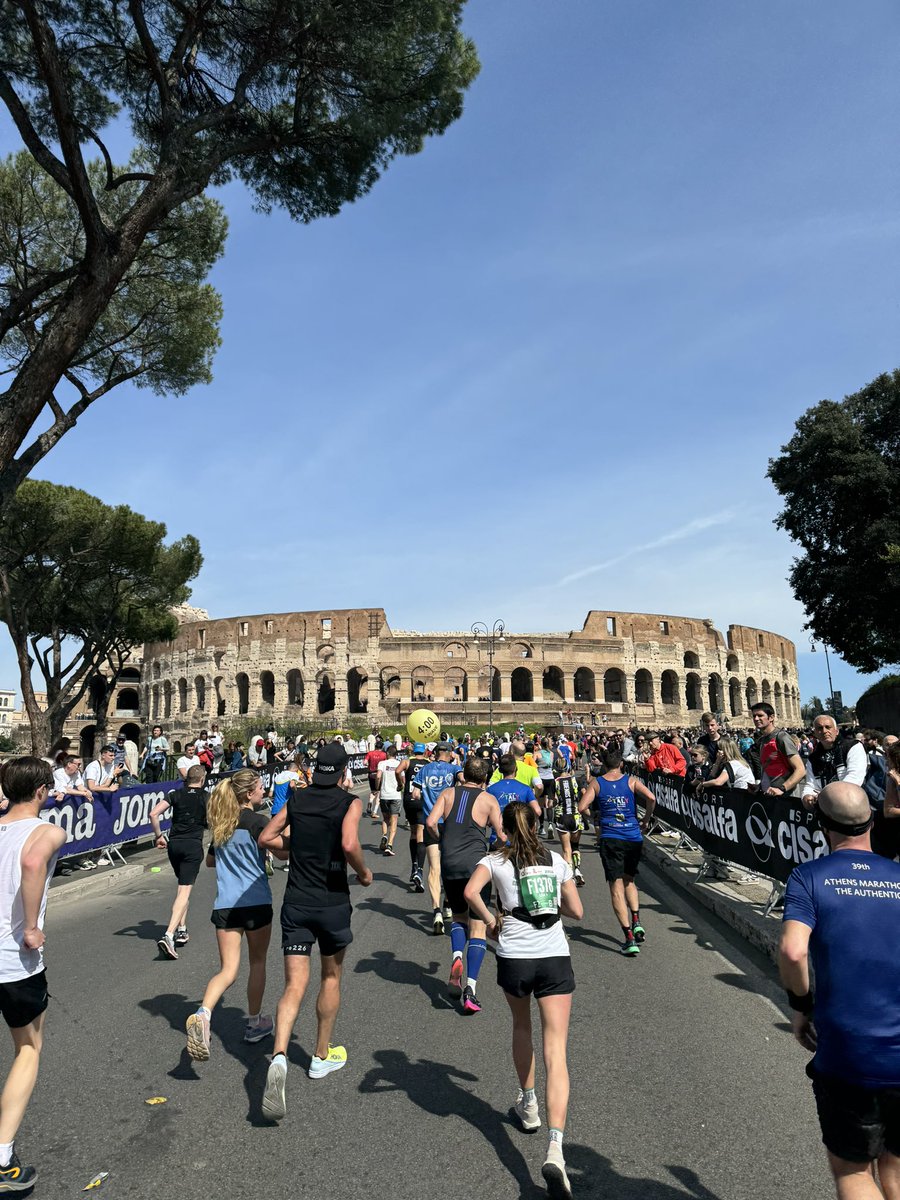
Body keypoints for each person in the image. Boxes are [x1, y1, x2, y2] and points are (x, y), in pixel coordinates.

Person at [780, 782, 900, 1200]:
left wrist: (801, 1007)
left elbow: (793, 950)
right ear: (872, 822)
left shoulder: (808, 877)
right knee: (895, 1169)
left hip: (849, 1053)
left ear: (822, 826)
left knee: (853, 1173)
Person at [464, 802, 583, 1200]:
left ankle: (528, 1104)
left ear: (506, 828)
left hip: (515, 954)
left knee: (521, 1026)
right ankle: (555, 1149)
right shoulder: (555, 860)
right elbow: (577, 911)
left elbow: (469, 892)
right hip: (553, 955)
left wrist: (492, 920)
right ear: (536, 824)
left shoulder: (494, 860)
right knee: (556, 1050)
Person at [257, 743, 372, 1121]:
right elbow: (349, 843)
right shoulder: (349, 802)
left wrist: (294, 849)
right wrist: (364, 873)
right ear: (343, 772)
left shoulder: (298, 798)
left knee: (293, 985)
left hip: (297, 902)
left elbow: (266, 838)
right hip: (332, 902)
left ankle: (278, 1055)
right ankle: (321, 1056)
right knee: (330, 977)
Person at [0, 757, 66, 1192]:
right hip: (13, 962)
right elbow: (32, 862)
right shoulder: (48, 831)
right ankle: (2, 1157)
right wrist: (30, 926)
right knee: (27, 1048)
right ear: (41, 791)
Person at [185, 769, 274, 1061]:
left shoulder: (224, 824)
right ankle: (255, 1022)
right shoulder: (258, 822)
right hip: (255, 901)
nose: (264, 791)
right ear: (249, 794)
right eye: (260, 787)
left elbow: (210, 861)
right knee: (257, 962)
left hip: (225, 904)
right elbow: (282, 851)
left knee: (228, 970)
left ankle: (203, 1013)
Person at [426, 758, 504, 1014]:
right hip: (476, 865)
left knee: (458, 917)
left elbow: (430, 822)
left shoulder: (448, 793)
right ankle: (470, 988)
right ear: (485, 779)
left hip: (450, 862)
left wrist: (443, 839)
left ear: (464, 775)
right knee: (478, 927)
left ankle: (457, 957)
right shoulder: (488, 799)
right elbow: (501, 834)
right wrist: (496, 847)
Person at [579, 749, 656, 955]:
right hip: (633, 837)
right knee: (629, 880)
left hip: (611, 837)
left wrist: (594, 817)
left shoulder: (597, 783)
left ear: (604, 765)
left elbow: (581, 807)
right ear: (621, 764)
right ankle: (636, 920)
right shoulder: (630, 781)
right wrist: (646, 820)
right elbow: (651, 797)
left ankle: (629, 938)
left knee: (616, 887)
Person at [150, 764, 208, 959]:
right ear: (202, 779)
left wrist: (159, 836)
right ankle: (169, 935)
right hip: (192, 845)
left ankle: (182, 929)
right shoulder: (206, 796)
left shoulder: (175, 794)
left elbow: (153, 813)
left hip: (174, 845)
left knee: (182, 887)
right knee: (184, 891)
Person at [412, 743, 462, 934]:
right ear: (449, 754)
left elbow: (415, 794)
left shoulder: (424, 769)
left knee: (434, 869)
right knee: (449, 867)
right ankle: (448, 902)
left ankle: (437, 911)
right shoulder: (454, 769)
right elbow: (464, 781)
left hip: (430, 821)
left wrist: (427, 797)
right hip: (449, 823)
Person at [801, 716, 867, 810]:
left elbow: (854, 778)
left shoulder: (853, 746)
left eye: (828, 727)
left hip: (852, 805)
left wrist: (827, 796)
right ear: (815, 733)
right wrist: (807, 796)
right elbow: (810, 784)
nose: (824, 731)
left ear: (836, 731)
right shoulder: (813, 758)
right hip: (825, 809)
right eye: (819, 728)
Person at [750, 703, 805, 798]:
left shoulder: (782, 737)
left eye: (760, 715)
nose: (756, 719)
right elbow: (769, 767)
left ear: (771, 717)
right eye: (754, 716)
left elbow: (800, 770)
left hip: (786, 796)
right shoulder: (762, 740)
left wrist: (782, 788)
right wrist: (760, 786)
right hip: (769, 795)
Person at [396, 743, 430, 891]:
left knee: (413, 832)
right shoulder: (429, 763)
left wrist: (400, 784)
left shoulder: (407, 762)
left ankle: (414, 865)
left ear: (414, 751)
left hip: (409, 800)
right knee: (421, 833)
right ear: (425, 752)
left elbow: (397, 771)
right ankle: (419, 871)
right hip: (422, 799)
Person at [551, 756, 585, 886]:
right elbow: (583, 793)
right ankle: (578, 870)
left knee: (566, 849)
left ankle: (570, 876)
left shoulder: (555, 782)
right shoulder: (576, 780)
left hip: (562, 816)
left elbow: (552, 801)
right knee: (575, 846)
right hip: (576, 816)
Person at [376, 746, 402, 856]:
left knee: (386, 818)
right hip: (395, 795)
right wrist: (401, 785)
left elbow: (378, 776)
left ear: (387, 753)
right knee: (394, 820)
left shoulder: (382, 763)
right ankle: (390, 844)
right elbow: (403, 778)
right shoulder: (399, 764)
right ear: (396, 754)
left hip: (384, 795)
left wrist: (377, 787)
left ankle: (384, 836)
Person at [364, 738, 387, 819]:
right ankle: (374, 812)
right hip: (379, 774)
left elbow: (364, 762)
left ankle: (370, 801)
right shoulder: (384, 754)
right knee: (379, 793)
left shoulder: (370, 753)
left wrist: (369, 765)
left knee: (373, 791)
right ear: (382, 747)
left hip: (371, 774)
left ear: (375, 746)